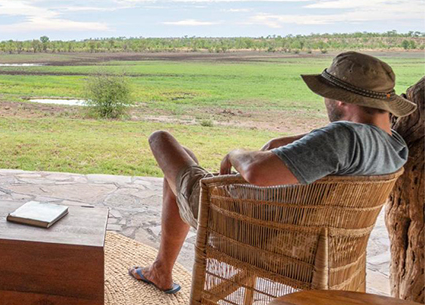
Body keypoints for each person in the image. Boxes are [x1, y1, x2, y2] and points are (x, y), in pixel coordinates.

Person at [129, 52, 415, 294]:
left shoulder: (343, 138)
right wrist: (287, 142)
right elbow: (338, 143)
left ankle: (161, 271)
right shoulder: (394, 146)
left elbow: (256, 172)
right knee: (182, 168)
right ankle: (161, 269)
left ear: (340, 99)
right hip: (319, 248)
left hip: (250, 230)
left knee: (162, 140)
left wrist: (234, 154)